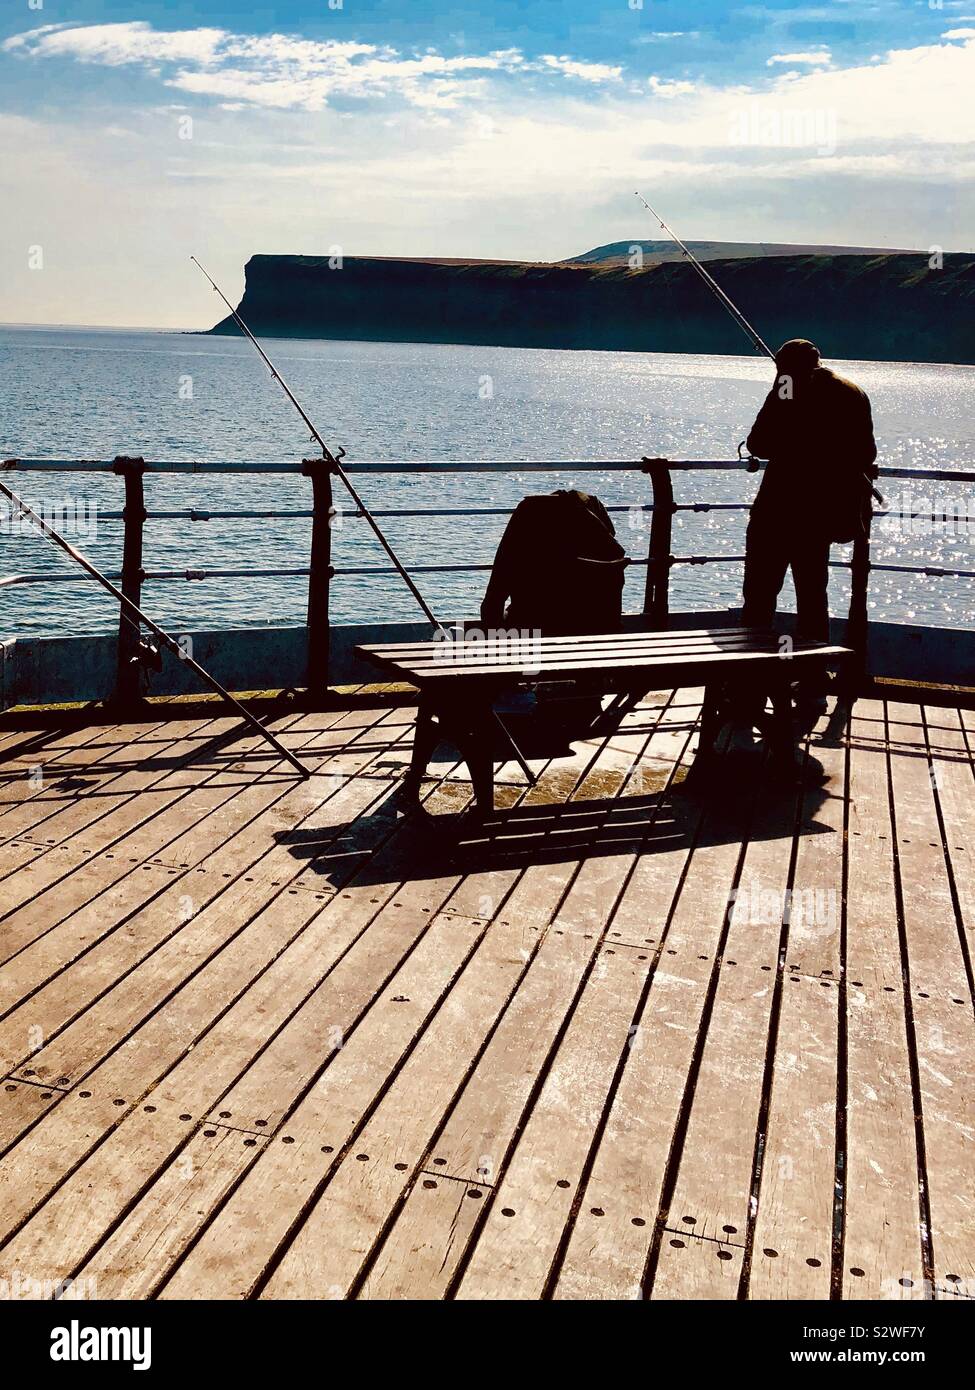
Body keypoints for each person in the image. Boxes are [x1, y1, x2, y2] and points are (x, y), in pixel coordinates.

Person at [742, 338, 877, 666]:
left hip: (778, 510)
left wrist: (779, 386)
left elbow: (760, 443)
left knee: (760, 595)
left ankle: (750, 675)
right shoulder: (852, 392)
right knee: (813, 597)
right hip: (821, 514)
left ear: (785, 365)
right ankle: (814, 679)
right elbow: (866, 454)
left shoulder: (787, 387)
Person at [481, 489, 627, 635]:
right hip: (600, 632)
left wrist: (493, 635)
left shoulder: (529, 513)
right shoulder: (595, 512)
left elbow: (496, 592)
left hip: (539, 631)